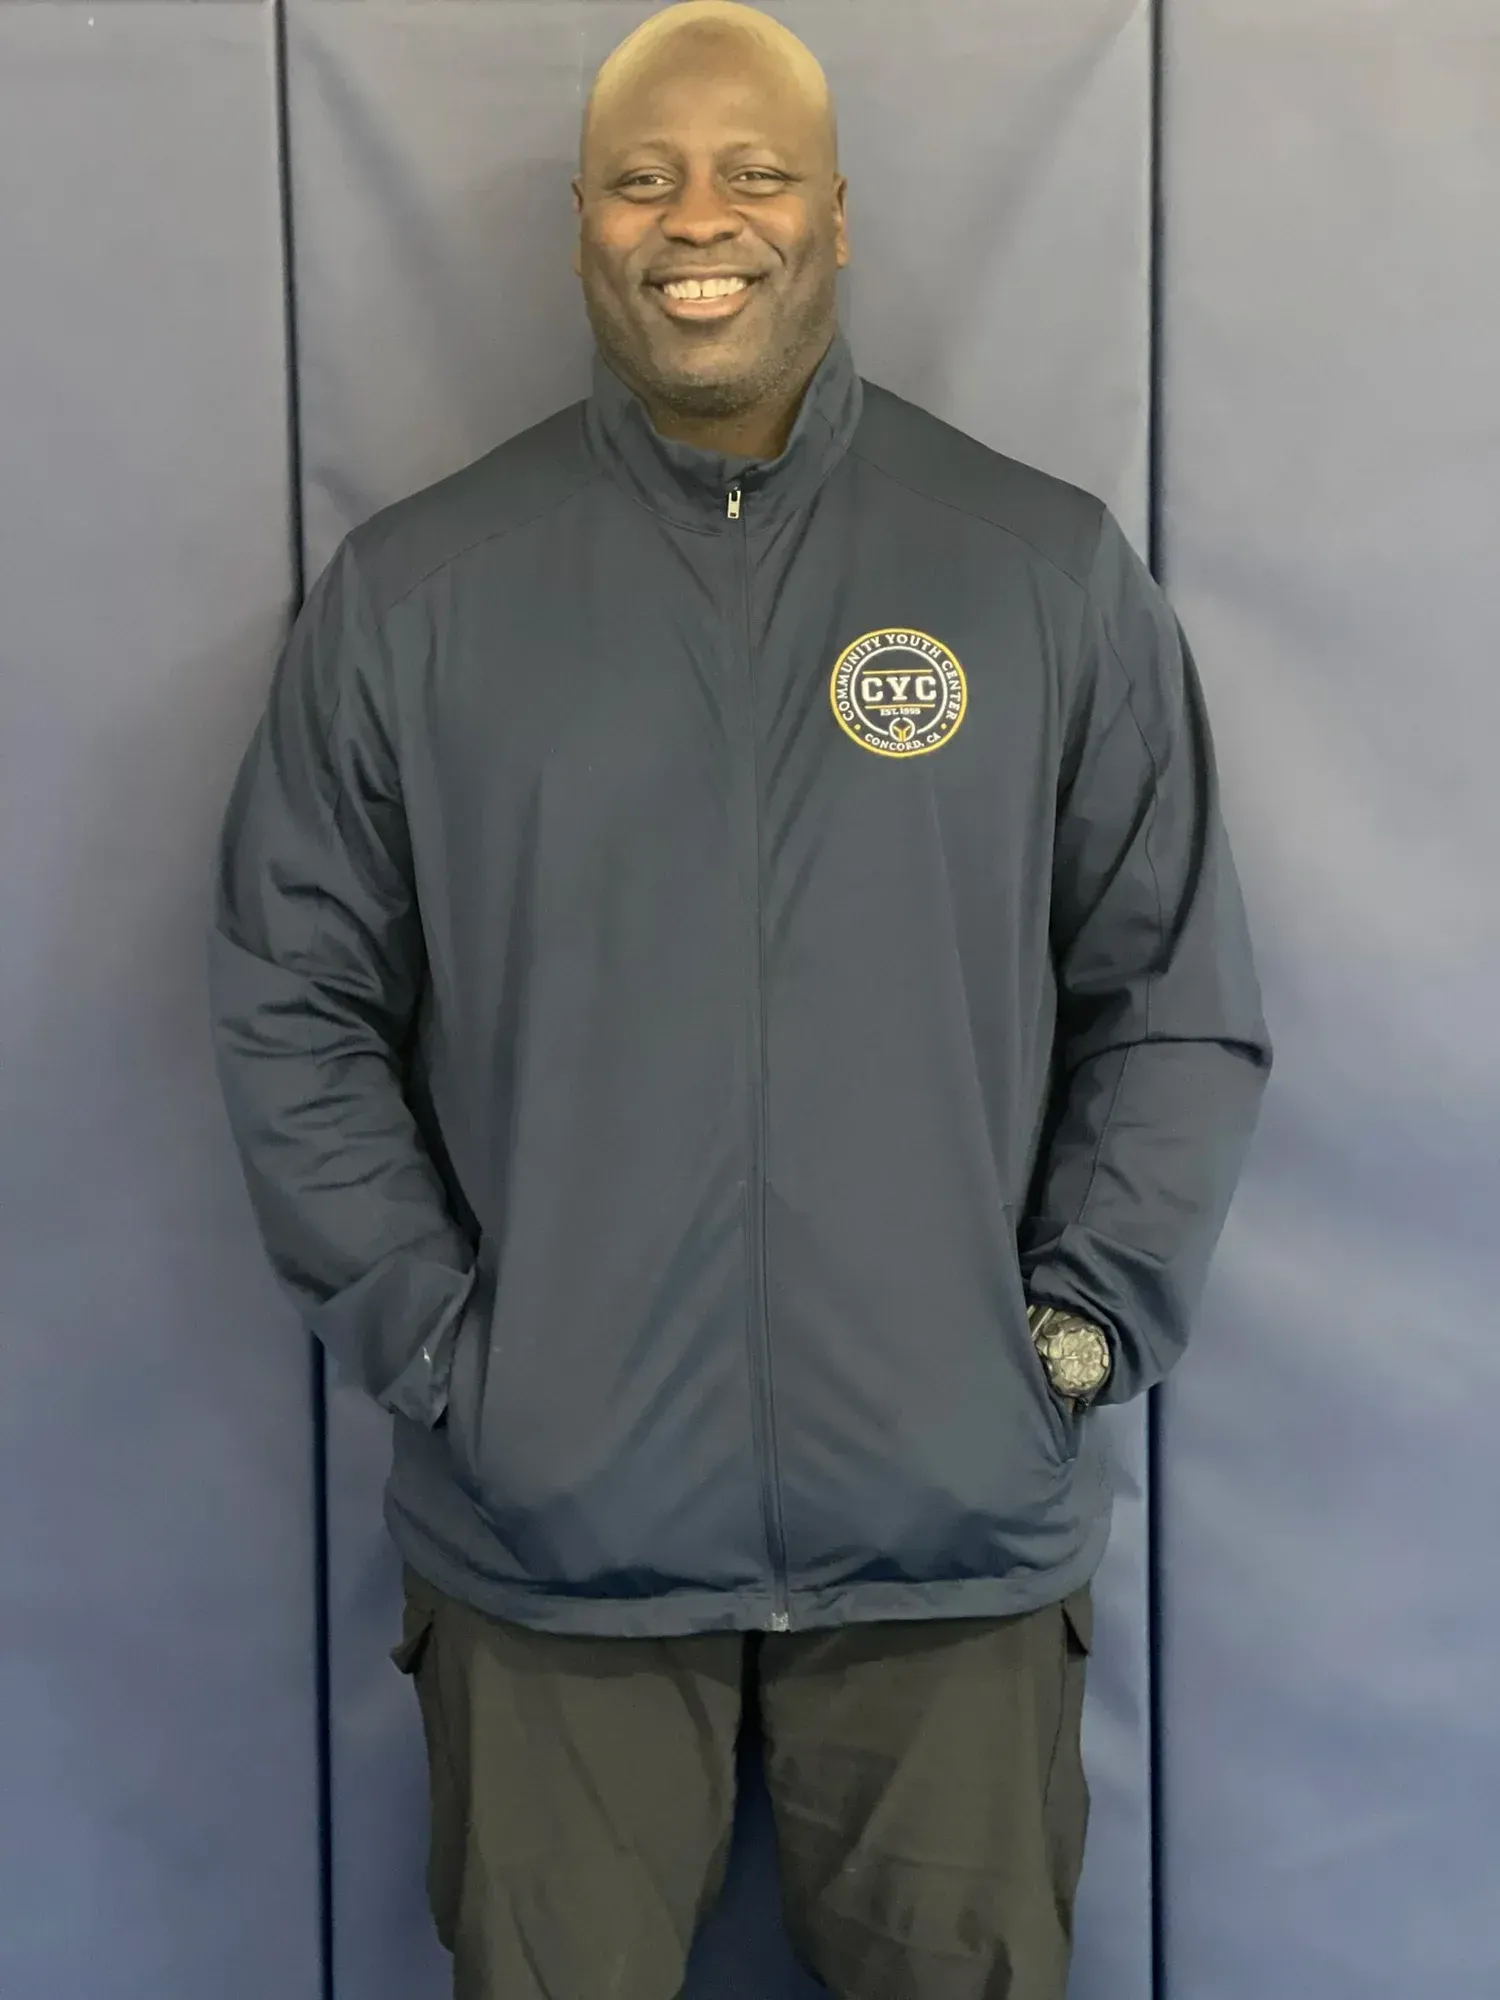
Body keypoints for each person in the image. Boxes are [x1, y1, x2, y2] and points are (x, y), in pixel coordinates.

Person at [206, 3, 1272, 1994]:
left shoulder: (1037, 575)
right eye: (645, 177)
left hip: (952, 1553)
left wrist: (1067, 1332)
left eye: (755, 172)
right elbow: (293, 998)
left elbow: (1173, 989)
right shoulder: (422, 596)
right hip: (552, 1560)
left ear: (838, 218)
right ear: (586, 230)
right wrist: (458, 1360)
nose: (703, 217)